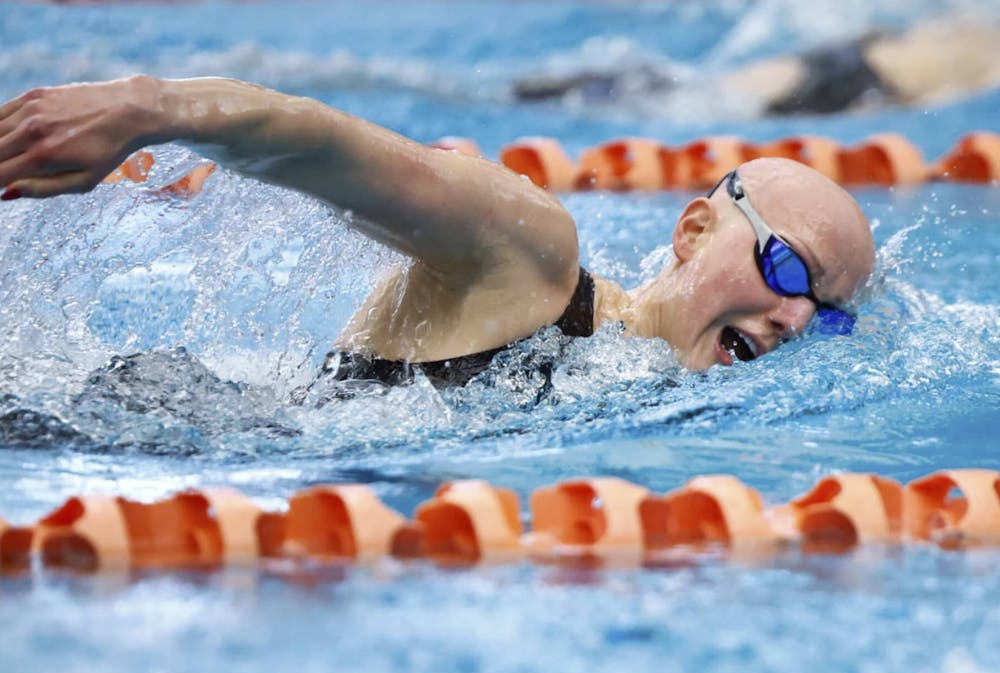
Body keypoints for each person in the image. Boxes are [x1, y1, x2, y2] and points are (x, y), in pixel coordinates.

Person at [0, 75, 874, 388]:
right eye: (791, 271)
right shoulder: (533, 257)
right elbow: (328, 145)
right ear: (691, 232)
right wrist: (147, 107)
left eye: (825, 312)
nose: (797, 319)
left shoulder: (646, 389)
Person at [514, 17, 1000, 117]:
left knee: (709, 93)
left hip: (854, 55)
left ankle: (586, 88)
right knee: (708, 101)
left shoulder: (972, 24)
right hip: (862, 83)